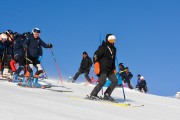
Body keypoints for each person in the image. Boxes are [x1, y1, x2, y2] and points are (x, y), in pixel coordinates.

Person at [89, 34, 118, 101]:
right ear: (108, 40)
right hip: (103, 67)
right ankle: (93, 94)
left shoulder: (114, 49)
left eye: (114, 40)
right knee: (102, 81)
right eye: (111, 39)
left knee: (115, 81)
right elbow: (95, 55)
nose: (113, 41)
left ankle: (107, 94)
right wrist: (96, 63)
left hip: (110, 69)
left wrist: (114, 68)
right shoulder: (103, 47)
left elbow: (113, 60)